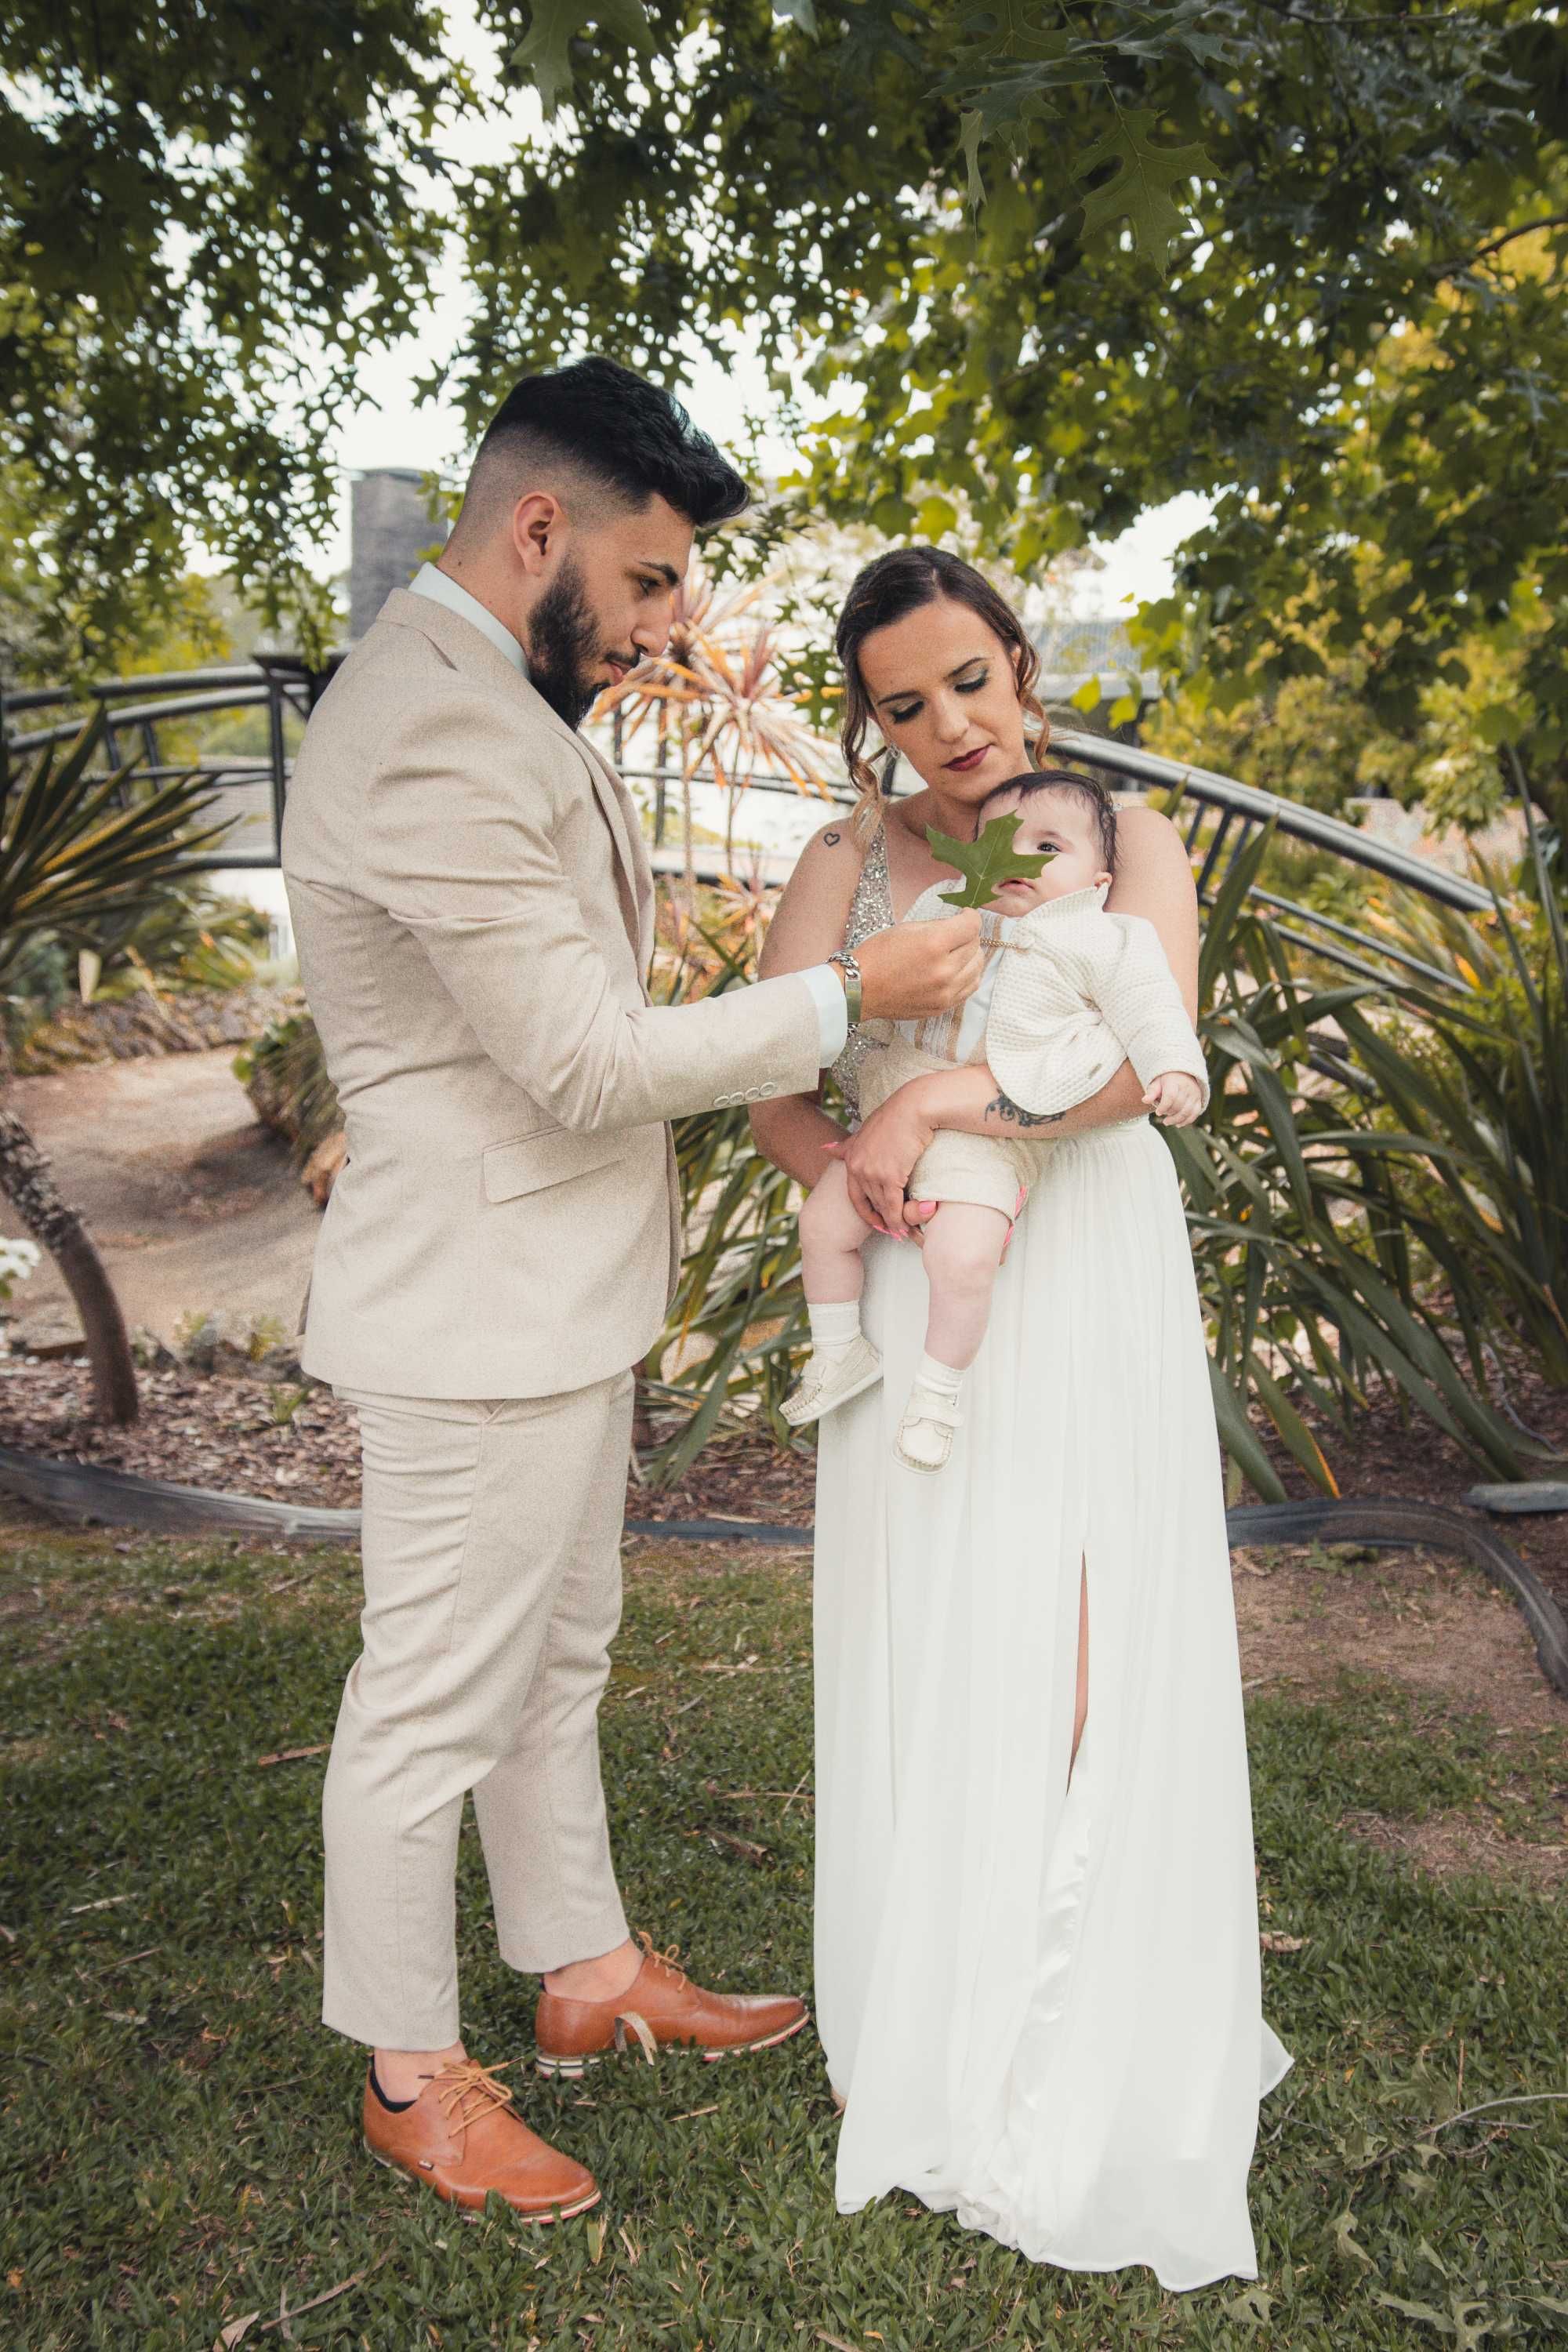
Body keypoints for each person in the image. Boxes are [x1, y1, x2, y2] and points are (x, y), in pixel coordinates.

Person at [280, 361, 987, 2223]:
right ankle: (410, 2074)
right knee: (431, 1694)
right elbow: (584, 1061)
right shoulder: (424, 725)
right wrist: (859, 997)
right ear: (539, 532)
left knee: (556, 1657)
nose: (674, 619)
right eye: (656, 577)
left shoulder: (499, 689)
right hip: (474, 1305)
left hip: (553, 1291)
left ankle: (583, 1968)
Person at [751, 544, 1293, 2292]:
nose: (949, 729)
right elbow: (775, 1077)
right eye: (903, 706)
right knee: (944, 1626)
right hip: (926, 1272)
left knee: (1078, 1629)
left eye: (969, 681)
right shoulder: (847, 855)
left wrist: (960, 1096)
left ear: (1018, 659)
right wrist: (859, 1165)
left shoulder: (1127, 839)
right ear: (872, 721)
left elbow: (1152, 1057)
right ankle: (938, 2004)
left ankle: (1087, 2010)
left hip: (1087, 1255)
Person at [779, 768, 1208, 1468]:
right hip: (896, 1104)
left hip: (997, 1118)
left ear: (1099, 883)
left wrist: (1176, 1069)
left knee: (964, 1253)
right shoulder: (948, 912)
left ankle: (937, 1395)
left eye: (1047, 848)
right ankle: (836, 1351)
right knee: (823, 1224)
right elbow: (877, 988)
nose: (1018, 861)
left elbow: (1152, 1007)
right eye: (999, 843)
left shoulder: (1103, 938)